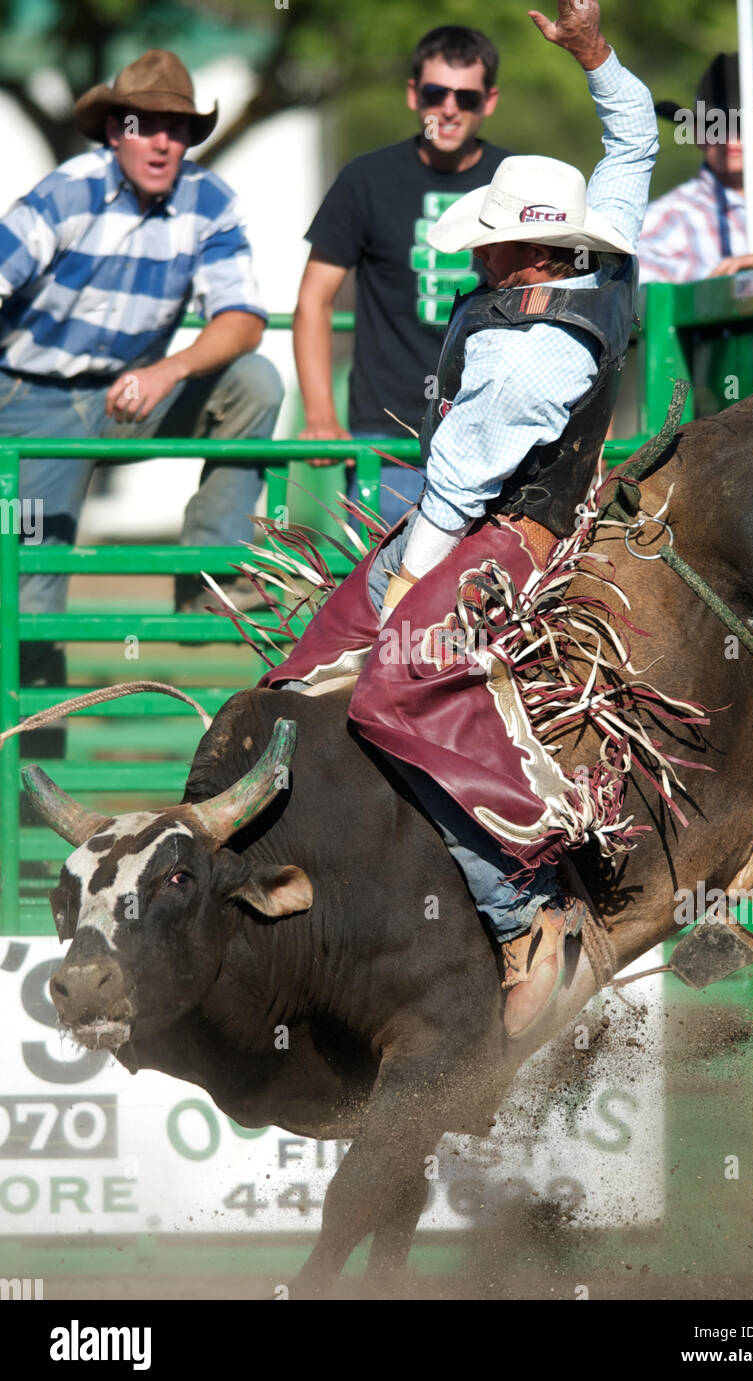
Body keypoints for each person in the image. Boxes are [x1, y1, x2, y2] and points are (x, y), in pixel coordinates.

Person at [261, 0, 657, 1038]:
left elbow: (447, 503)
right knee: (314, 657)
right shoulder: (602, 258)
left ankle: (522, 909)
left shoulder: (523, 358)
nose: (478, 261)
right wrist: (592, 55)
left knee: (395, 678)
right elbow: (634, 141)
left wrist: (395, 596)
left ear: (527, 261)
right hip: (488, 508)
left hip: (502, 532)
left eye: (491, 249)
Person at [0, 48, 284, 740]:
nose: (162, 140)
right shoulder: (64, 194)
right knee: (34, 595)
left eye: (178, 127)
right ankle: (33, 799)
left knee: (255, 382)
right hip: (30, 405)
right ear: (113, 130)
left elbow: (243, 320)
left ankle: (206, 579)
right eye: (144, 122)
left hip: (131, 396)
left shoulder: (208, 202)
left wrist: (168, 371)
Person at [293, 24, 511, 527]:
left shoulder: (515, 179)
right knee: (381, 594)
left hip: (496, 431)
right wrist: (320, 415)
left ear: (489, 100)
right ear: (414, 94)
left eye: (467, 96)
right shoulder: (365, 179)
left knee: (488, 595)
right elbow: (314, 299)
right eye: (436, 92)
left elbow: (561, 293)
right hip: (388, 436)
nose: (450, 108)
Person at [638, 53, 753, 283]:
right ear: (697, 135)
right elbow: (628, 273)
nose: (730, 139)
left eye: (746, 124)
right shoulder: (671, 217)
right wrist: (716, 285)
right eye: (714, 125)